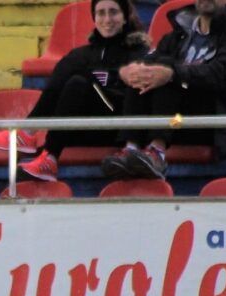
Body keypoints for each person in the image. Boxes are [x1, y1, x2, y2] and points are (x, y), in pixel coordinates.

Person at [104, 0, 226, 179]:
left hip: (207, 124)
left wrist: (173, 73)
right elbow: (152, 64)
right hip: (176, 123)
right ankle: (131, 146)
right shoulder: (178, 36)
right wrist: (134, 71)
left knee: (170, 71)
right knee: (146, 71)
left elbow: (222, 74)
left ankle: (157, 152)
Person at [13, 0, 150, 181]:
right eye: (101, 13)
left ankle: (38, 141)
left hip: (116, 129)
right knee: (72, 69)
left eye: (113, 12)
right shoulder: (82, 54)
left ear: (125, 18)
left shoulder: (139, 52)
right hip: (80, 129)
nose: (107, 19)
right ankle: (41, 151)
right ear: (94, 18)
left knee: (79, 78)